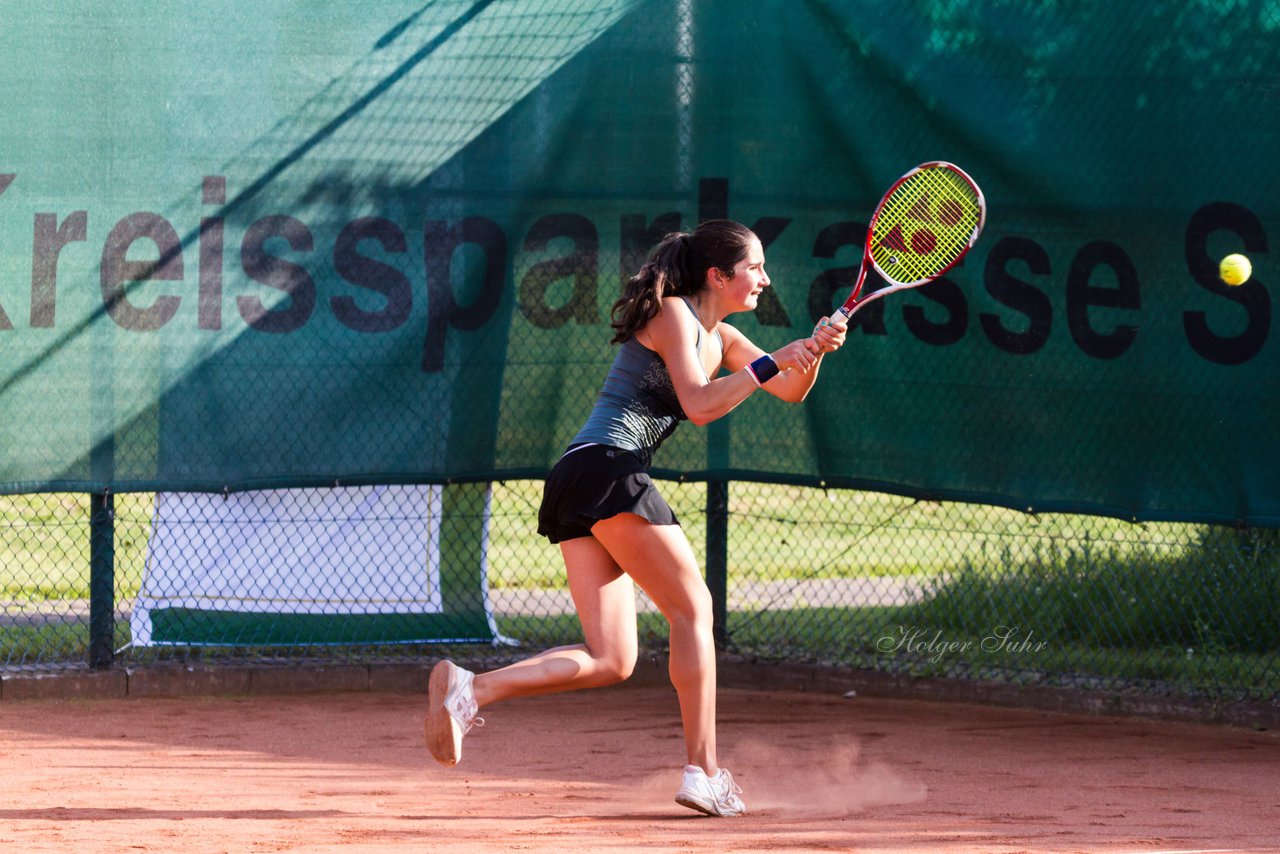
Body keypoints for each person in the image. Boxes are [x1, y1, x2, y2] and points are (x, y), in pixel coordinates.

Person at [425, 219, 847, 817]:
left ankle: (471, 691)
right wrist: (774, 359)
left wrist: (816, 350)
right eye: (754, 268)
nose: (765, 278)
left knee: (611, 658)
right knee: (693, 607)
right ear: (717, 275)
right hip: (607, 467)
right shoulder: (674, 314)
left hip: (581, 476)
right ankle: (703, 771)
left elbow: (790, 390)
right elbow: (701, 405)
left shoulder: (722, 337)